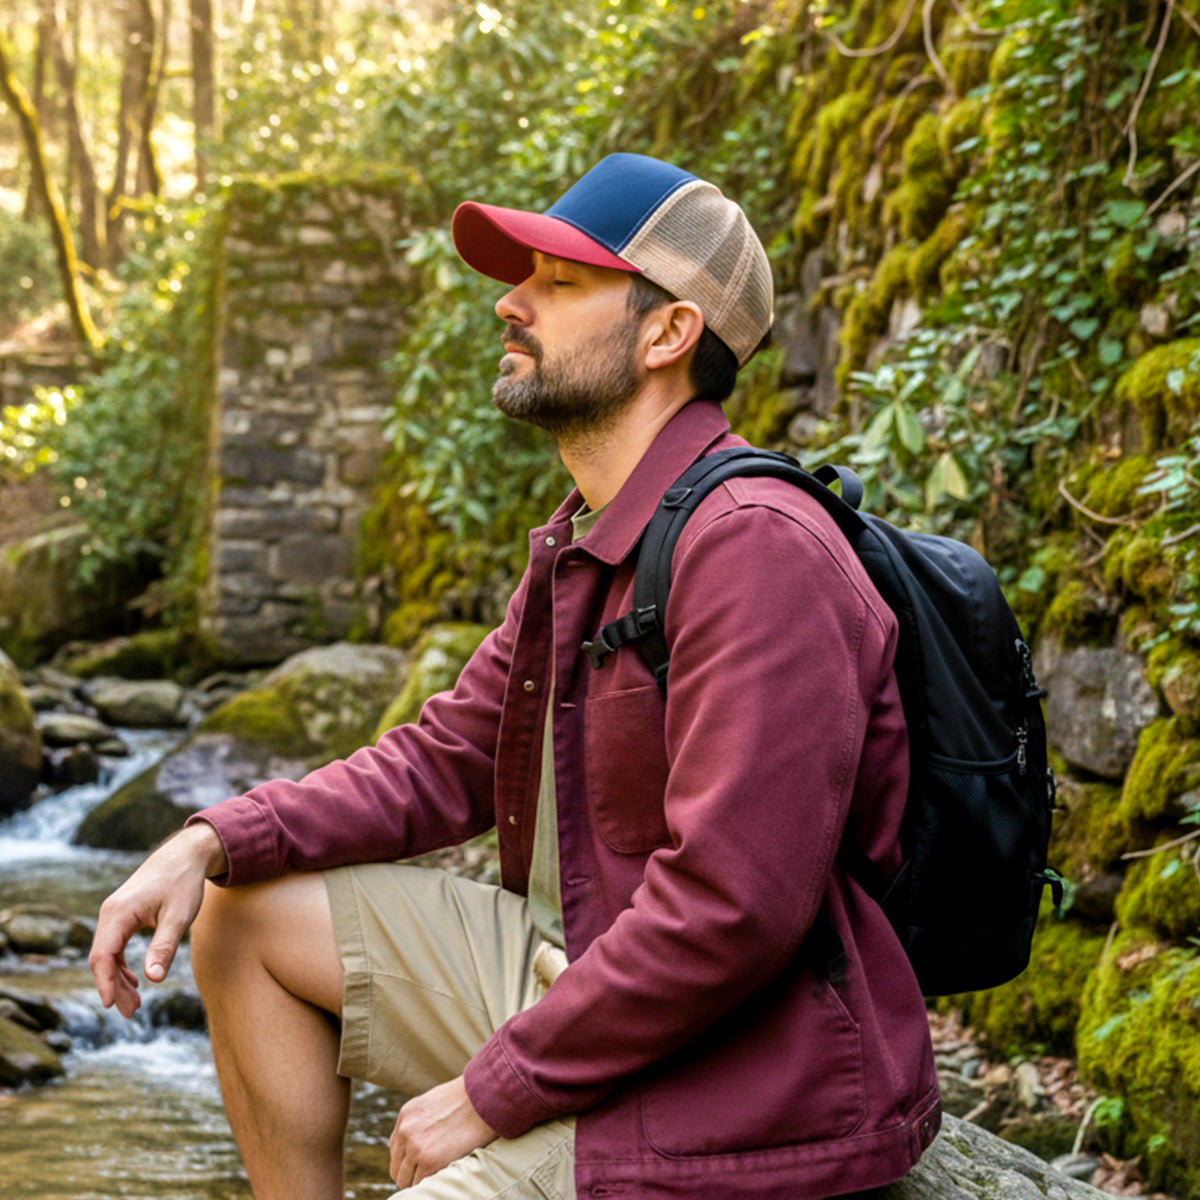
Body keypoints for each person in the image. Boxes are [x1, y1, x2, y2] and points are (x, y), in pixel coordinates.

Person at [90, 152, 940, 1200]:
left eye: (560, 282)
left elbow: (733, 909)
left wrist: (493, 1091)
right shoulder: (589, 544)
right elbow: (442, 761)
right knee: (241, 911)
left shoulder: (756, 547)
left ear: (669, 333)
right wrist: (211, 835)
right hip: (574, 969)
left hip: (738, 1072)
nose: (512, 301)